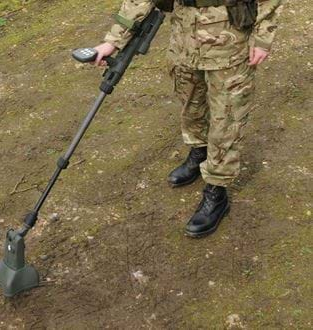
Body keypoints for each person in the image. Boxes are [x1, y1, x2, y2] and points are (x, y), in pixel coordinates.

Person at [92, 0, 283, 237]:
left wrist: (263, 37)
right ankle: (199, 151)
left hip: (230, 41)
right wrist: (113, 40)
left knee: (227, 118)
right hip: (184, 39)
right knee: (191, 105)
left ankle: (216, 188)